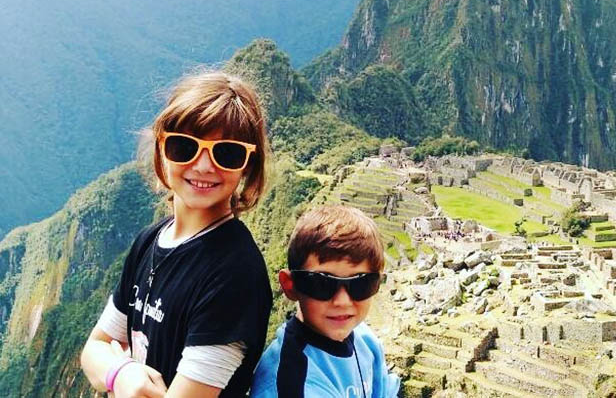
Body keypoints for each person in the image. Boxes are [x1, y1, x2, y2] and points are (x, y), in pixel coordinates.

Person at [80, 71, 272, 398]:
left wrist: (114, 374)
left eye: (227, 153)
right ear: (162, 149)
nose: (203, 166)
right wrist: (122, 374)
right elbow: (93, 350)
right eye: (184, 147)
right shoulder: (149, 241)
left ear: (248, 165)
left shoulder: (235, 273)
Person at [250, 205, 400, 398]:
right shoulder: (291, 383)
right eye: (322, 283)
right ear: (290, 286)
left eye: (361, 283)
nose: (342, 301)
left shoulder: (365, 340)